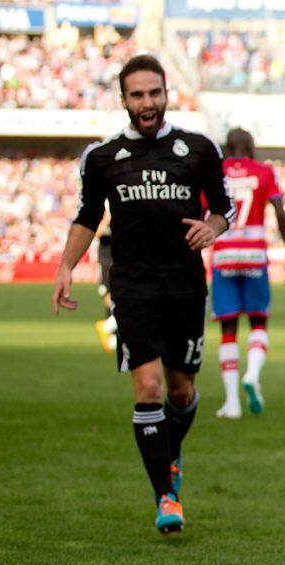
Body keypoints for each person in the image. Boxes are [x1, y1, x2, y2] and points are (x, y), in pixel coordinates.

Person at [52, 54, 236, 535]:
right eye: (137, 95)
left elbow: (223, 207)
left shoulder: (198, 148)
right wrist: (65, 266)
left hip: (186, 287)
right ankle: (166, 497)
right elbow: (87, 217)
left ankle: (169, 455)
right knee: (149, 388)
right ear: (124, 99)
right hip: (132, 289)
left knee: (182, 390)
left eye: (154, 92)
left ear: (166, 93)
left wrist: (212, 228)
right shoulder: (102, 158)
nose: (147, 103)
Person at [211, 127, 285, 418]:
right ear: (250, 146)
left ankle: (232, 402)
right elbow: (280, 211)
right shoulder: (263, 172)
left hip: (223, 255)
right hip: (254, 255)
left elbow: (199, 214)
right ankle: (253, 375)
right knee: (259, 322)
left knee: (228, 330)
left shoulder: (215, 171)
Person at [94, 212, 118, 354]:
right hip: (108, 268)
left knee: (113, 301)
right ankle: (108, 327)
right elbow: (97, 233)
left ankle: (111, 333)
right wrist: (107, 219)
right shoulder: (104, 225)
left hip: (115, 265)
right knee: (110, 300)